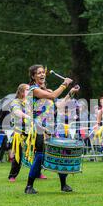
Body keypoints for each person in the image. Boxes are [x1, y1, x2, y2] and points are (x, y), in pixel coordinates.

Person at [23, 64, 74, 194]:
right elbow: (52, 96)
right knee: (40, 156)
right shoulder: (33, 89)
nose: (42, 74)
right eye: (38, 73)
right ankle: (29, 186)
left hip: (51, 128)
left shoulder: (48, 91)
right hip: (38, 128)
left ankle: (63, 185)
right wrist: (64, 84)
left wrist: (70, 93)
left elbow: (60, 104)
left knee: (60, 154)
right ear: (33, 76)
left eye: (43, 72)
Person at [8, 84, 31, 182]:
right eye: (27, 90)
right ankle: (12, 175)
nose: (29, 91)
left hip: (30, 132)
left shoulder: (30, 102)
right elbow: (17, 112)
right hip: (19, 133)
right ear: (21, 92)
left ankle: (37, 172)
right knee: (18, 155)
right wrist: (28, 116)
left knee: (36, 153)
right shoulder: (15, 102)